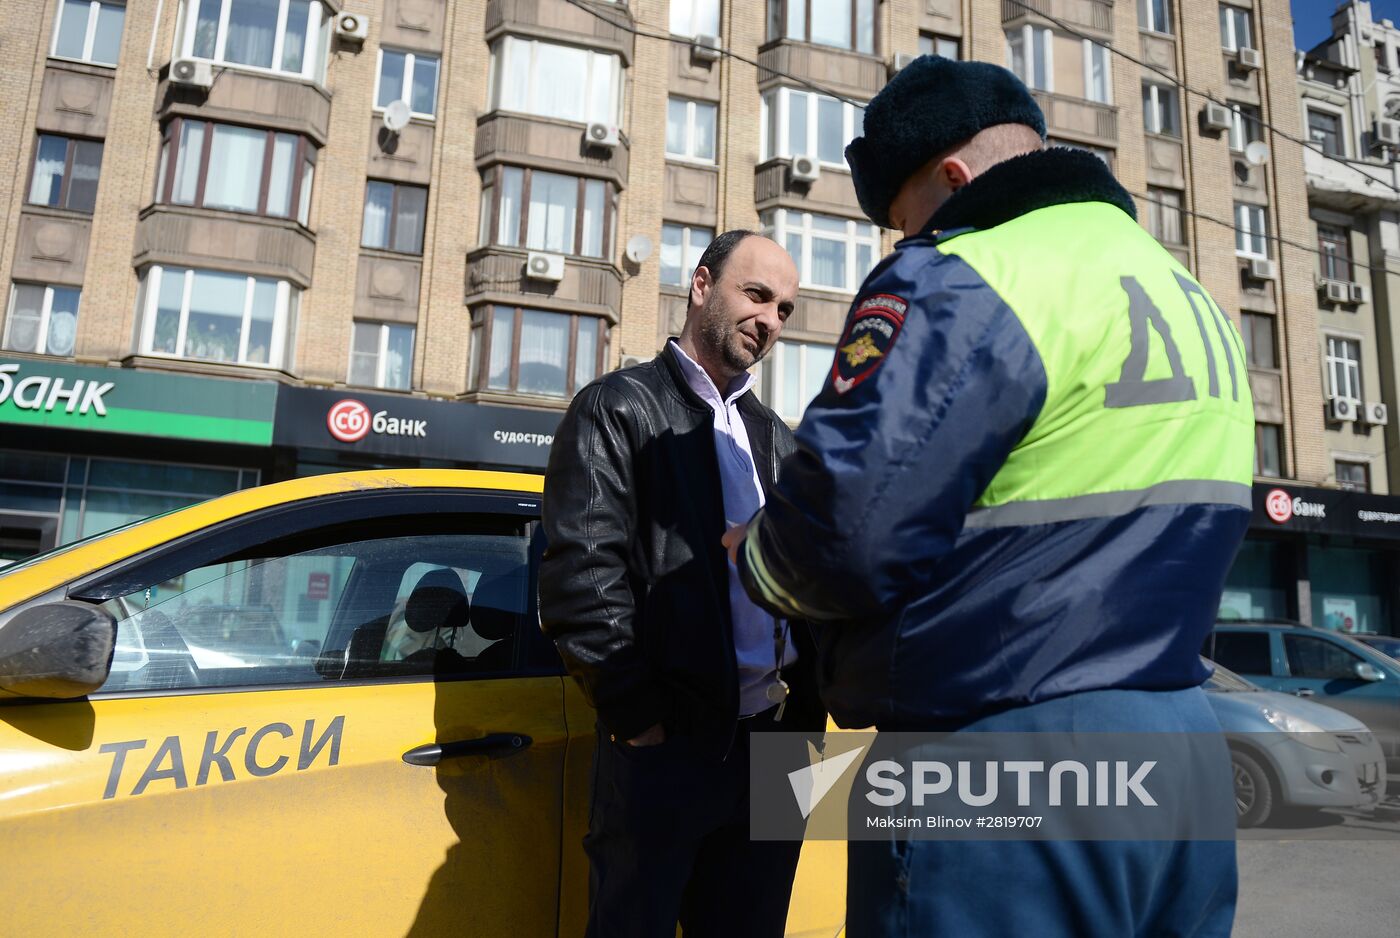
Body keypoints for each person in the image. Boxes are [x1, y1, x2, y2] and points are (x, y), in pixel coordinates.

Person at [725, 57, 1254, 937]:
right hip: (1183, 753)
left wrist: (759, 558)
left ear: (954, 179)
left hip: (1004, 761)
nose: (901, 246)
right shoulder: (1186, 296)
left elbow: (843, 533)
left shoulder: (968, 272)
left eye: (902, 220)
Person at [539, 230, 826, 937]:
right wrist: (639, 720)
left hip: (786, 751)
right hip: (673, 745)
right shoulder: (617, 408)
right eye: (755, 295)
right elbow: (582, 574)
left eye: (785, 310)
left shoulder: (776, 436)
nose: (769, 321)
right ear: (701, 286)